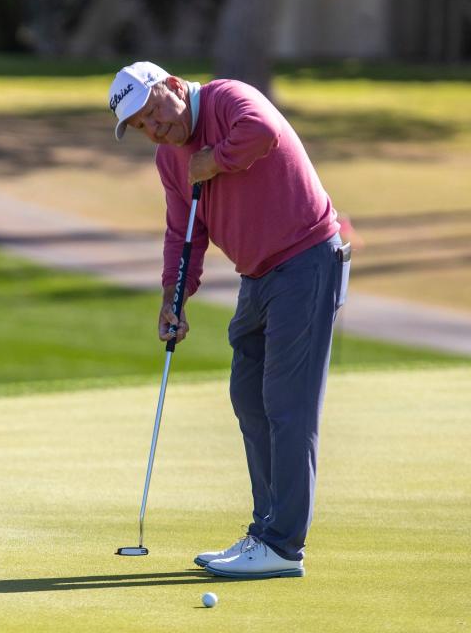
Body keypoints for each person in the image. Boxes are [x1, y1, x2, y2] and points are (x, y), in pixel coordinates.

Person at [108, 62, 350, 579]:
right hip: (258, 275)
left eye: (153, 114)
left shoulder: (227, 98)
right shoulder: (169, 158)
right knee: (248, 395)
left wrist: (213, 161)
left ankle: (283, 545)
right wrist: (175, 297)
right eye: (143, 127)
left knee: (288, 406)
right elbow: (185, 232)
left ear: (173, 87)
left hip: (306, 259)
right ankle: (265, 530)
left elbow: (262, 131)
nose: (155, 130)